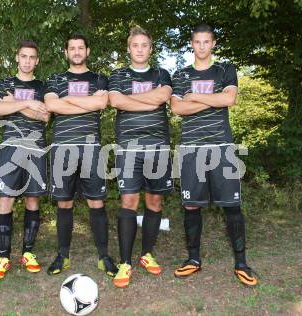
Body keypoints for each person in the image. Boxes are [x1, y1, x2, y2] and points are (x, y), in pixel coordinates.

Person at [171, 24, 258, 286]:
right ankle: (193, 259)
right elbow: (177, 108)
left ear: (213, 43)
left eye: (206, 42)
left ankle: (241, 263)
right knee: (191, 205)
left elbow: (229, 100)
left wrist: (194, 97)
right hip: (191, 149)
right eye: (197, 42)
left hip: (222, 147)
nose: (201, 46)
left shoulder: (225, 69)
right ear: (191, 43)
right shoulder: (181, 74)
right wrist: (212, 97)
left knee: (231, 205)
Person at [44, 33, 118, 277]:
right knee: (64, 202)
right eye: (72, 48)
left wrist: (68, 100)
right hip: (62, 149)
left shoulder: (99, 79)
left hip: (91, 149)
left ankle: (104, 257)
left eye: (80, 48)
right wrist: (87, 101)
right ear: (66, 52)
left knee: (96, 202)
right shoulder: (54, 79)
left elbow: (101, 104)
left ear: (88, 51)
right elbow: (53, 106)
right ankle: (63, 256)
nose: (76, 52)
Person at [108, 27, 173, 288]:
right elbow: (115, 101)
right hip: (128, 147)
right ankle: (125, 262)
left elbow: (164, 96)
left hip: (158, 147)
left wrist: (130, 99)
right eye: (135, 45)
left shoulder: (162, 73)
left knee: (155, 201)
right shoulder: (118, 75)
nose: (139, 49)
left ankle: (146, 255)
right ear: (128, 48)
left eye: (144, 45)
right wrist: (149, 100)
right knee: (129, 201)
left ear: (150, 48)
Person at [0, 40, 49, 280]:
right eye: (23, 56)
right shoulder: (4, 83)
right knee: (6, 200)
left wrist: (12, 103)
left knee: (33, 199)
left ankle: (28, 253)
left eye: (32, 57)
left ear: (37, 60)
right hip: (10, 148)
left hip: (36, 148)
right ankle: (4, 257)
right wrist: (27, 103)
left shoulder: (43, 86)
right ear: (17, 57)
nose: (27, 61)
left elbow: (44, 117)